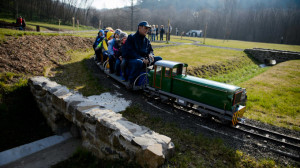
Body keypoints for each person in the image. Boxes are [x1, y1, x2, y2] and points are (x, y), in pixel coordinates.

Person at [123, 21, 162, 89]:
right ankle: (131, 82)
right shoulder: (131, 37)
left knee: (159, 59)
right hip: (132, 60)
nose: (147, 30)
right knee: (139, 62)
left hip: (145, 60)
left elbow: (151, 50)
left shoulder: (147, 40)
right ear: (139, 28)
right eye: (145, 28)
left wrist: (151, 55)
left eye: (148, 29)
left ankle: (152, 78)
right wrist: (142, 59)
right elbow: (130, 52)